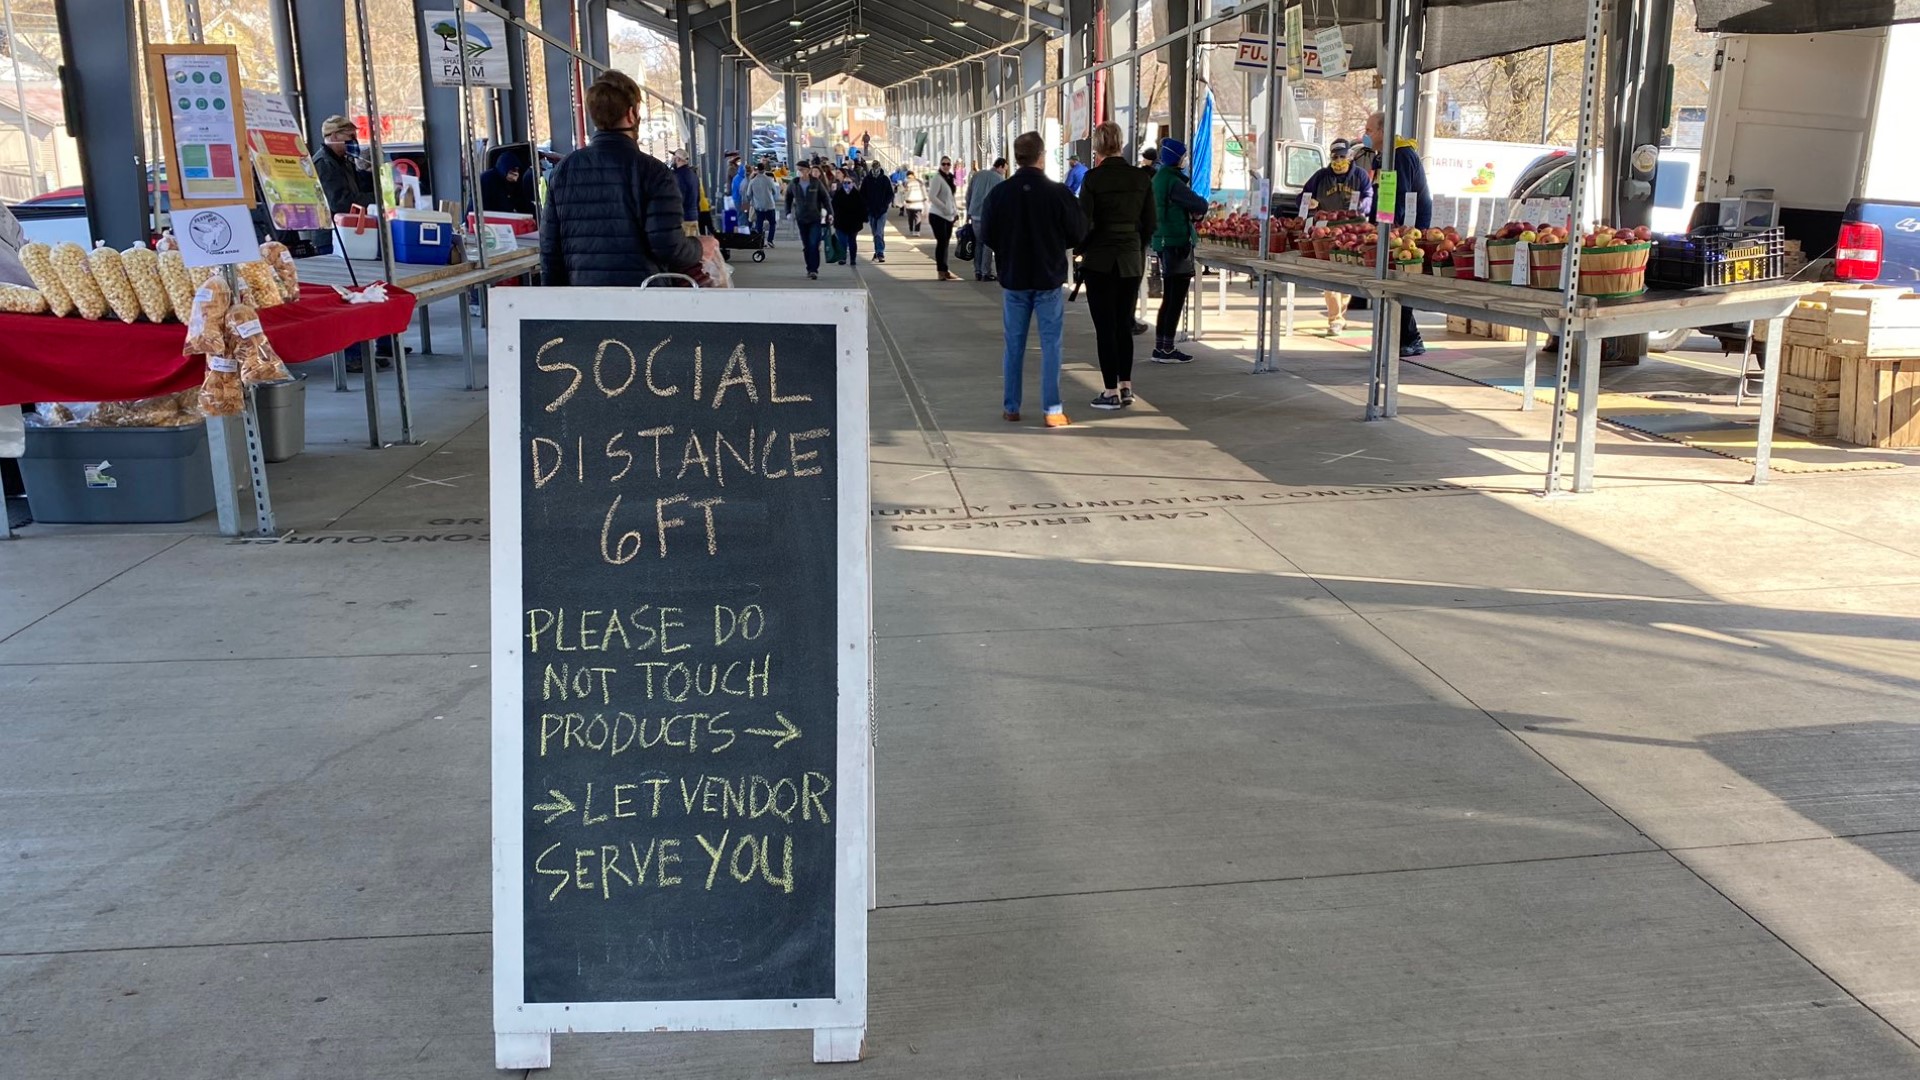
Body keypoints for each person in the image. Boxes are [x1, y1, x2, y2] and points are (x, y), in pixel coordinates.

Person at [540, 70, 705, 287]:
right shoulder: (654, 172)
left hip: (583, 303)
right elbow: (668, 247)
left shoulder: (563, 171)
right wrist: (700, 246)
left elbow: (551, 251)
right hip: (642, 303)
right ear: (631, 113)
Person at [985, 131, 1088, 428]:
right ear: (1041, 156)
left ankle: (1011, 406)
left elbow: (987, 233)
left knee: (1013, 345)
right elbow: (1078, 232)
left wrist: (1007, 248)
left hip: (1014, 278)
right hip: (1048, 278)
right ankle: (1052, 410)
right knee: (1051, 345)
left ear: (1017, 158)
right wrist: (1056, 245)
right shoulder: (1058, 193)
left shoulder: (1000, 193)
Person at [1076, 122, 1156, 411]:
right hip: (1130, 261)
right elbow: (1150, 223)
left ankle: (1109, 391)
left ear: (1096, 147)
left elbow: (1083, 223)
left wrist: (1079, 249)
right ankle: (1126, 386)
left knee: (1104, 328)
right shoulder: (1140, 178)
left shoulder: (1092, 179)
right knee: (1124, 324)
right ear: (1121, 144)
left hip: (1099, 261)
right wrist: (1137, 246)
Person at [312, 115, 387, 371]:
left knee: (363, 291)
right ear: (333, 137)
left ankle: (369, 348)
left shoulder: (343, 161)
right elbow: (341, 202)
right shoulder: (324, 165)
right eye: (348, 138)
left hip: (353, 233)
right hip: (334, 236)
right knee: (348, 296)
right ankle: (352, 355)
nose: (353, 142)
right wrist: (374, 197)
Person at [1364, 110, 1434, 356]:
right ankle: (1400, 336)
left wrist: (1391, 228)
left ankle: (1411, 338)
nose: (1366, 135)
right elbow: (1380, 193)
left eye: (1370, 130)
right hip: (1391, 227)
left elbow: (1400, 196)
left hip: (1408, 229)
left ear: (1383, 131)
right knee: (1390, 283)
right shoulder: (1382, 157)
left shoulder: (1401, 155)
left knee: (1399, 282)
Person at [1299, 138, 1373, 335]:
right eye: (1335, 157)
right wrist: (1310, 202)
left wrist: (1363, 206)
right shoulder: (1321, 176)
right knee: (1330, 276)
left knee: (1347, 276)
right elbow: (1302, 196)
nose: (1339, 160)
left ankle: (1339, 315)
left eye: (1342, 156)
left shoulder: (1360, 175)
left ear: (1349, 156)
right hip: (1326, 231)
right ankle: (1335, 319)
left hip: (1353, 230)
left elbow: (1369, 195)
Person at [1149, 137, 1208, 363]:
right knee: (1175, 298)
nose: (1185, 160)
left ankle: (1161, 346)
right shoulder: (1173, 182)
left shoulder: (1159, 178)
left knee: (1169, 298)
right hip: (1176, 243)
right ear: (1176, 158)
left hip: (1164, 241)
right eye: (1183, 156)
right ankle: (1167, 348)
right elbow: (1199, 204)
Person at [786, 163, 831, 278]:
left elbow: (825, 198)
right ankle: (809, 267)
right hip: (801, 218)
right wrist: (788, 212)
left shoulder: (816, 183)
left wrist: (830, 213)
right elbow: (788, 197)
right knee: (806, 245)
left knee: (813, 243)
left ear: (808, 170)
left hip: (814, 218)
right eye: (798, 169)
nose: (800, 171)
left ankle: (813, 269)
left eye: (802, 169)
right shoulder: (794, 183)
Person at [965, 157, 1006, 281]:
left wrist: (968, 213)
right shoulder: (1000, 179)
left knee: (978, 243)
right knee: (988, 244)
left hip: (975, 214)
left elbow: (968, 195)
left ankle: (977, 271)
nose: (1004, 172)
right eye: (1005, 169)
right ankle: (985, 272)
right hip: (989, 216)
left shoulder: (977, 175)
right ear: (1000, 167)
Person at [926, 156, 960, 282]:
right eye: (943, 164)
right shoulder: (937, 178)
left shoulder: (950, 178)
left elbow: (951, 197)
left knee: (945, 244)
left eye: (948, 164)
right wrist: (944, 208)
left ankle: (945, 270)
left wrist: (954, 211)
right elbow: (932, 196)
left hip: (948, 216)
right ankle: (941, 271)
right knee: (941, 242)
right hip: (937, 215)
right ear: (940, 165)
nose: (946, 166)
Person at [829, 168, 866, 268]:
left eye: (849, 183)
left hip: (853, 223)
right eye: (845, 182)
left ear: (853, 183)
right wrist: (831, 217)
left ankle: (853, 258)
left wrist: (863, 219)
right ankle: (843, 257)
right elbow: (833, 206)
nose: (846, 184)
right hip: (841, 222)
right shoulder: (838, 194)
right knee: (842, 241)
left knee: (852, 241)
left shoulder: (857, 195)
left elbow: (862, 208)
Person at [480, 151, 535, 215]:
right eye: (513, 170)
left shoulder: (514, 185)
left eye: (517, 170)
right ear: (505, 169)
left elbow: (523, 204)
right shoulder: (487, 180)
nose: (516, 173)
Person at [861, 163, 894, 263]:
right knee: (875, 233)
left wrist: (885, 205)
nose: (876, 170)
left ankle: (880, 252)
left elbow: (890, 194)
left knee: (879, 232)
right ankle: (877, 251)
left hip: (882, 211)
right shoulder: (867, 180)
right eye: (874, 168)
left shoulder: (884, 180)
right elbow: (862, 194)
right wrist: (866, 206)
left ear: (880, 168)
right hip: (871, 211)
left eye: (877, 168)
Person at [746, 165, 780, 248]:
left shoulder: (752, 181)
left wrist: (753, 200)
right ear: (764, 170)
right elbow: (775, 191)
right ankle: (770, 241)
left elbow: (748, 194)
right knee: (772, 223)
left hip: (758, 206)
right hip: (769, 205)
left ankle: (760, 241)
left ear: (757, 170)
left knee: (759, 224)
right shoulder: (769, 180)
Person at [671, 150, 700, 238]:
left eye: (674, 158)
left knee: (685, 249)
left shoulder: (678, 176)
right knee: (695, 246)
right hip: (694, 217)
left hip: (684, 219)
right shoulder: (693, 175)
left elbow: (679, 198)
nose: (672, 160)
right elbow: (698, 197)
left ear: (678, 159)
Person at [900, 170, 927, 235]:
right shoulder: (920, 182)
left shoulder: (905, 182)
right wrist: (925, 198)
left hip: (909, 202)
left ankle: (911, 230)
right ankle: (917, 231)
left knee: (910, 218)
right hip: (918, 202)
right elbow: (924, 191)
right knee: (918, 217)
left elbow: (902, 191)